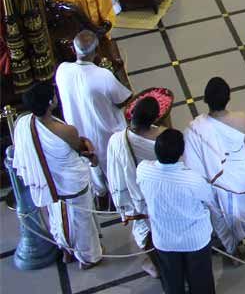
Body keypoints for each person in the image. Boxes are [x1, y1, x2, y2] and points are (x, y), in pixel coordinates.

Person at [12, 82, 103, 269]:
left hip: (49, 183)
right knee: (81, 221)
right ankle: (88, 257)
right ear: (49, 103)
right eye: (53, 95)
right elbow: (79, 148)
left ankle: (67, 250)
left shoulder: (23, 123)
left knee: (58, 215)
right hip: (71, 184)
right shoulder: (65, 131)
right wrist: (91, 153)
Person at [184, 76, 245, 260]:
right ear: (228, 98)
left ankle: (233, 249)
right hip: (243, 178)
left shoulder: (195, 128)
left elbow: (192, 162)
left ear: (206, 100)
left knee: (223, 215)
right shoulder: (243, 119)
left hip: (216, 182)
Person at [137, 129, 218, 294]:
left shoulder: (143, 170)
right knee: (201, 281)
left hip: (164, 240)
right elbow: (209, 198)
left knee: (171, 281)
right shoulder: (192, 179)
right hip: (195, 240)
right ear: (181, 153)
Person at [56, 28, 132, 197]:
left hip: (78, 132)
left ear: (74, 49)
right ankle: (118, 193)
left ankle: (100, 193)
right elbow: (122, 99)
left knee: (91, 164)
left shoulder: (62, 70)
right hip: (104, 131)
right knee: (112, 167)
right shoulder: (102, 75)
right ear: (97, 52)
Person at [107, 95, 163, 278]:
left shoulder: (117, 140)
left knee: (146, 232)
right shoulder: (162, 138)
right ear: (155, 118)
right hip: (160, 196)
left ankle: (157, 265)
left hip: (135, 197)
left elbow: (113, 172)